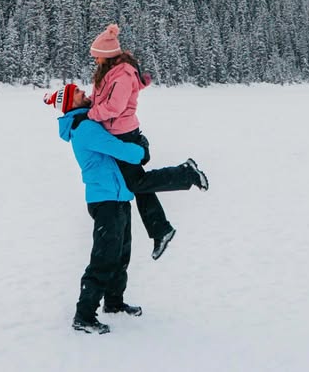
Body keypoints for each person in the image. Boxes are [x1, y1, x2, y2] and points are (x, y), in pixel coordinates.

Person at [44, 82, 206, 334]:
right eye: (78, 93)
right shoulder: (84, 128)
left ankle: (114, 304)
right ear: (69, 104)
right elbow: (119, 150)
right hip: (105, 200)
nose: (84, 93)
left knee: (120, 255)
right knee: (104, 258)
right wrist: (141, 149)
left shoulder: (87, 123)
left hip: (118, 196)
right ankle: (83, 315)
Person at [87, 23, 209, 260]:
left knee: (137, 183)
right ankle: (160, 229)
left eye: (97, 57)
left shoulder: (121, 75)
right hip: (116, 133)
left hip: (123, 133)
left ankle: (185, 173)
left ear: (107, 57)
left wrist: (91, 115)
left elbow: (115, 106)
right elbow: (100, 98)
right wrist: (89, 108)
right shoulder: (109, 74)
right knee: (139, 184)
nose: (95, 61)